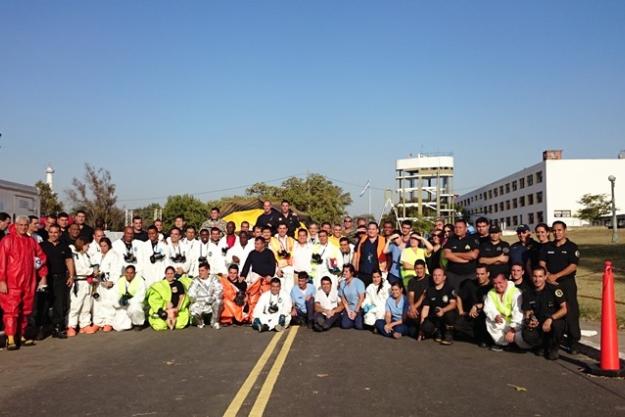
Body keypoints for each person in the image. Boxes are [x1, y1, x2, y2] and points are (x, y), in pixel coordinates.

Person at [0, 217, 48, 349]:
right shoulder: (7, 240)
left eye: (25, 225)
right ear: (15, 225)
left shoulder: (31, 241)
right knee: (11, 310)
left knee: (25, 310)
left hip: (28, 281)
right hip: (12, 282)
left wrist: (42, 274)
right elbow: (2, 262)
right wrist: (2, 281)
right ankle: (10, 338)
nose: (23, 227)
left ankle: (21, 335)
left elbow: (41, 257)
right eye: (20, 225)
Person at [539, 220, 581, 354]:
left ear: (565, 230)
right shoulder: (547, 247)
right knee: (554, 311)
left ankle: (573, 342)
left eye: (559, 230)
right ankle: (554, 340)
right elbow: (542, 262)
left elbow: (573, 266)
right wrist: (548, 275)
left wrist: (556, 276)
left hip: (566, 283)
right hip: (550, 284)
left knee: (571, 312)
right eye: (554, 230)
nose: (557, 233)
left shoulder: (572, 247)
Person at [521, 267, 567, 360]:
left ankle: (553, 348)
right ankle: (540, 346)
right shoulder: (527, 292)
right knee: (527, 333)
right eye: (535, 276)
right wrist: (530, 319)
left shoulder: (554, 289)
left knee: (558, 325)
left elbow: (564, 309)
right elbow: (528, 310)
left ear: (545, 277)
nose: (537, 279)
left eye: (540, 276)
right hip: (539, 321)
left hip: (553, 320)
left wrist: (551, 318)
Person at [40, 224, 75, 339]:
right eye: (51, 232)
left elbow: (69, 261)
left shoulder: (65, 247)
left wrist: (71, 276)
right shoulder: (42, 246)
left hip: (60, 278)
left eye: (56, 232)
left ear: (59, 233)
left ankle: (57, 328)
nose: (53, 234)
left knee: (59, 304)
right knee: (44, 304)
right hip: (45, 278)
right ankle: (43, 329)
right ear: (48, 233)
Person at [483, 273, 525, 351]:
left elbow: (518, 313)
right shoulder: (491, 293)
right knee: (489, 320)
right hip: (503, 321)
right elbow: (488, 308)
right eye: (495, 283)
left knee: (522, 343)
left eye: (500, 282)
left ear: (506, 281)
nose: (497, 286)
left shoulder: (516, 292)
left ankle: (516, 344)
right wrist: (495, 316)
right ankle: (503, 344)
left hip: (517, 324)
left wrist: (513, 330)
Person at [455, 265, 492, 347]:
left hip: (486, 316)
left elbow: (495, 303)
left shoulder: (492, 286)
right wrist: (461, 311)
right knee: (456, 324)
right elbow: (459, 296)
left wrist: (477, 306)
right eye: (477, 274)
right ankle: (477, 337)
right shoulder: (470, 284)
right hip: (471, 315)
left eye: (482, 274)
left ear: (488, 274)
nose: (479, 276)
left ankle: (482, 338)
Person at [68, 237, 98, 336]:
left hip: (87, 282)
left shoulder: (86, 255)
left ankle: (84, 325)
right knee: (76, 305)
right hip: (79, 282)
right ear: (81, 245)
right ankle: (71, 325)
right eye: (86, 245)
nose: (88, 247)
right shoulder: (74, 255)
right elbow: (79, 269)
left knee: (86, 304)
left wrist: (93, 272)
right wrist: (92, 271)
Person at [419, 268, 457, 345]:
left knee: (450, 315)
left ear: (444, 277)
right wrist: (421, 330)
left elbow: (453, 304)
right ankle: (437, 332)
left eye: (439, 275)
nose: (437, 277)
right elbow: (426, 308)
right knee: (425, 326)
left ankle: (448, 334)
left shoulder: (449, 288)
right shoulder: (429, 290)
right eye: (435, 275)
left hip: (446, 314)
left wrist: (443, 310)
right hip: (435, 317)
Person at [91, 237, 123, 332]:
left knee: (109, 303)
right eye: (101, 246)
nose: (103, 248)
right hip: (99, 282)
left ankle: (109, 322)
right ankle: (99, 322)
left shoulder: (114, 255)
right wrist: (95, 272)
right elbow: (94, 266)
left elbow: (116, 270)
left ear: (109, 245)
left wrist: (112, 281)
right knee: (98, 303)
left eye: (105, 246)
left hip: (109, 282)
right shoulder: (98, 255)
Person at [147, 266, 191, 331]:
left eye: (171, 273)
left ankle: (171, 322)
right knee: (160, 326)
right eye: (168, 274)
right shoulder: (159, 285)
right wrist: (165, 304)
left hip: (176, 310)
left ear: (174, 274)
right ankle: (166, 320)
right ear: (165, 274)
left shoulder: (179, 284)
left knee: (180, 325)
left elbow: (182, 296)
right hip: (164, 310)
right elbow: (154, 299)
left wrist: (178, 308)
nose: (170, 275)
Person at [240, 237, 276, 318]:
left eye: (258, 244)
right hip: (255, 278)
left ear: (263, 244)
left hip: (266, 279)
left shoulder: (269, 253)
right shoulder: (252, 253)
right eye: (255, 244)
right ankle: (252, 315)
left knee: (266, 298)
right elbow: (247, 265)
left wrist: (270, 275)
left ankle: (267, 315)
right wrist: (243, 275)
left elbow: (273, 266)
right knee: (253, 298)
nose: (256, 245)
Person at [442, 219, 479, 291]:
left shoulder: (472, 240)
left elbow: (474, 255)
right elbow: (447, 255)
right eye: (456, 227)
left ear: (465, 229)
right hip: (453, 275)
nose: (457, 229)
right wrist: (464, 259)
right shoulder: (450, 240)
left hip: (470, 275)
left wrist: (454, 254)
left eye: (460, 227)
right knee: (454, 296)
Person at [188, 262, 223, 329]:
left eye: (202, 271)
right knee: (193, 309)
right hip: (200, 303)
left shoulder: (214, 278)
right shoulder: (195, 280)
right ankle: (200, 322)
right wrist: (200, 299)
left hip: (211, 304)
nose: (200, 272)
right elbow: (190, 294)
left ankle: (214, 322)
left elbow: (219, 290)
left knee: (219, 302)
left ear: (208, 271)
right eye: (199, 271)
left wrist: (212, 298)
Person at [112, 265, 147, 331]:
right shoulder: (120, 281)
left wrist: (129, 301)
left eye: (131, 273)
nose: (129, 274)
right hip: (123, 305)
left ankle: (138, 324)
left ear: (135, 273)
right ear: (125, 273)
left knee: (135, 308)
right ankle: (131, 322)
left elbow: (141, 296)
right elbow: (115, 294)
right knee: (118, 327)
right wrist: (119, 302)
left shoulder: (140, 280)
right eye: (127, 272)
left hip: (136, 304)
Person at [353, 222, 387, 287]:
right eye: (369, 229)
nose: (371, 231)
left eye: (373, 229)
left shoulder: (383, 240)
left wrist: (386, 268)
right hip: (363, 273)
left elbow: (388, 257)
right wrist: (354, 270)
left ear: (377, 230)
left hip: (377, 274)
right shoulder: (362, 240)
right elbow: (356, 254)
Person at [406, 260, 431, 335]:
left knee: (427, 327)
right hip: (417, 309)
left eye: (421, 268)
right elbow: (411, 295)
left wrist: (413, 308)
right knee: (412, 332)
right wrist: (412, 307)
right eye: (417, 268)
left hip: (427, 308)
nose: (419, 270)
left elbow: (424, 297)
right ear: (414, 269)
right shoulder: (412, 281)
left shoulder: (430, 280)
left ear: (425, 268)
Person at [269, 223, 296, 293]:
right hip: (279, 270)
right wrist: (276, 269)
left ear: (287, 229)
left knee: (289, 291)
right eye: (280, 228)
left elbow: (294, 254)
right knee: (279, 291)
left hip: (290, 269)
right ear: (277, 229)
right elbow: (271, 257)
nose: (282, 230)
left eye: (284, 228)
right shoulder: (272, 240)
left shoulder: (291, 240)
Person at [339, 264, 366, 330]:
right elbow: (343, 298)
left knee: (359, 327)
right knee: (345, 325)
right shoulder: (342, 283)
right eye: (344, 271)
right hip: (349, 308)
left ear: (352, 273)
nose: (344, 273)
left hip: (358, 308)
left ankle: (357, 319)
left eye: (346, 271)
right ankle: (350, 319)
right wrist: (348, 311)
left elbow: (361, 298)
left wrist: (355, 312)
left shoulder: (359, 282)